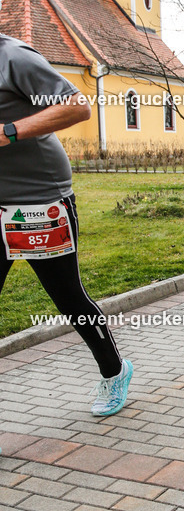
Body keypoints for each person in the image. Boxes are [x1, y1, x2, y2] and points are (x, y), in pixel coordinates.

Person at [0, 34, 132, 417]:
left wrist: (10, 131)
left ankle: (115, 371)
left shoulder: (13, 57)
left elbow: (78, 105)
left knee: (68, 298)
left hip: (40, 199)